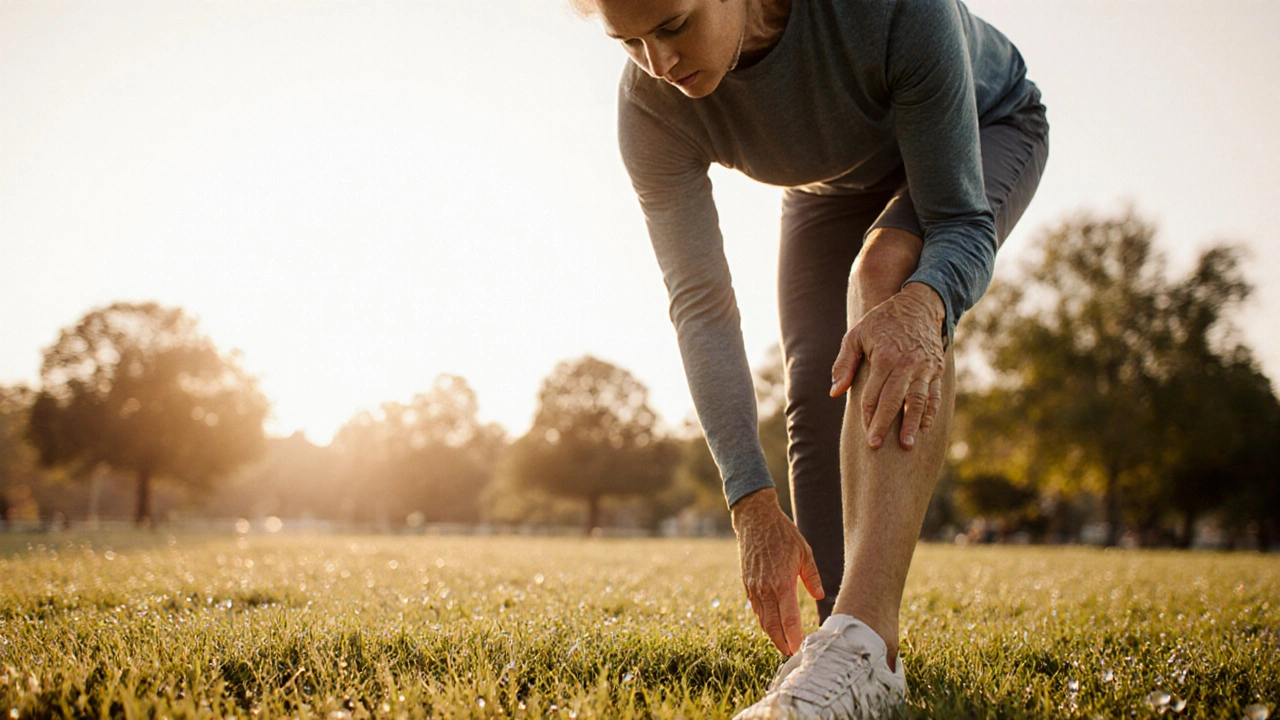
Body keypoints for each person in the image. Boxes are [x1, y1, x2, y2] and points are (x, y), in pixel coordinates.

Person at [576, 0, 1048, 716]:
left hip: (986, 125)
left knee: (886, 275)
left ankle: (869, 644)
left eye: (673, 25)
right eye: (629, 41)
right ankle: (837, 661)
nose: (659, 63)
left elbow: (956, 219)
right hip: (830, 183)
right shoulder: (650, 107)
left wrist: (925, 305)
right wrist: (750, 502)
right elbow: (701, 307)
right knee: (813, 385)